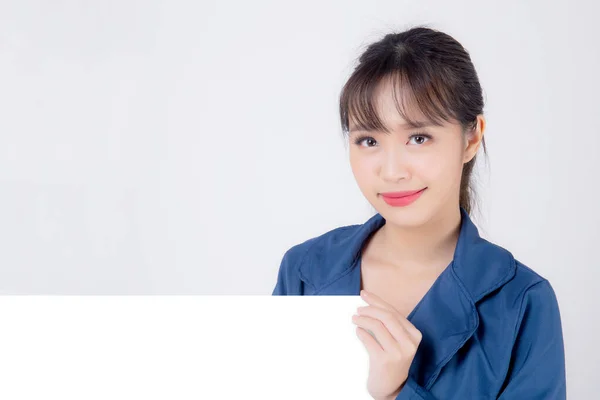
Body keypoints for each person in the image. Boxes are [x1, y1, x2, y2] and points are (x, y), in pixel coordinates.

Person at [271, 26, 566, 399]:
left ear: (471, 137)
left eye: (419, 138)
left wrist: (395, 393)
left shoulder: (522, 302)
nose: (392, 171)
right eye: (369, 140)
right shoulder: (304, 270)